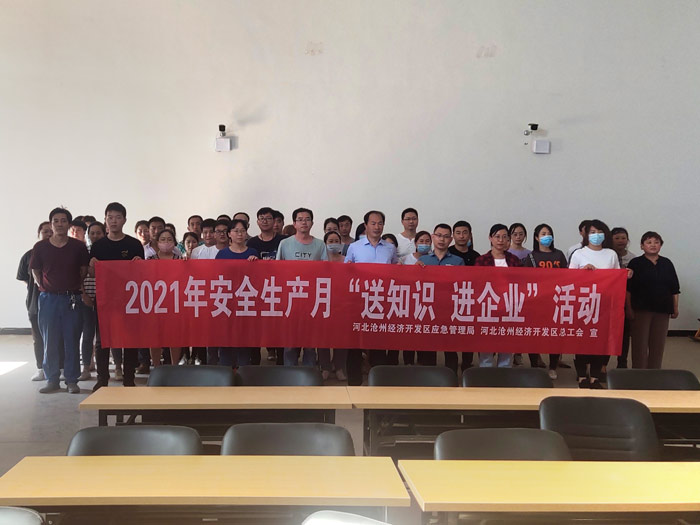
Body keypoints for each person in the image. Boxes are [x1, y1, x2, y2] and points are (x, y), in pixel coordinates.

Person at [30, 207, 90, 393]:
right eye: (55, 221)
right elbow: (35, 270)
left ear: (69, 224)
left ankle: (71, 380)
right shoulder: (41, 247)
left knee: (72, 340)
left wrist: (74, 285)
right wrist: (44, 286)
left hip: (71, 298)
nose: (59, 224)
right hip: (48, 299)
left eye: (63, 220)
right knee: (50, 341)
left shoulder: (78, 247)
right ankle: (52, 379)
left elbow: (83, 270)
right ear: (51, 224)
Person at [89, 202, 145, 390]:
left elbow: (141, 275)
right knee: (103, 341)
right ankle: (102, 380)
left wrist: (139, 264)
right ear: (105, 219)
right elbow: (92, 274)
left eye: (118, 217)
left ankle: (129, 379)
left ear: (124, 220)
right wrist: (92, 266)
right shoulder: (98, 246)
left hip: (129, 300)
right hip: (105, 300)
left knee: (130, 340)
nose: (113, 221)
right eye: (110, 217)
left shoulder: (134, 245)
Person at [345, 211, 398, 385]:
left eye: (380, 223)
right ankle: (354, 382)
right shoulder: (355, 247)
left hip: (381, 302)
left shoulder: (390, 248)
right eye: (373, 223)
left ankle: (378, 381)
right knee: (354, 343)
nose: (377, 227)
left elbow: (397, 271)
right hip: (358, 301)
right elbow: (345, 272)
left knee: (379, 342)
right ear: (366, 225)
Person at [569, 219, 619, 388]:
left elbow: (616, 278)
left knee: (599, 341)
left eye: (599, 232)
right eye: (592, 232)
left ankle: (595, 377)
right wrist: (582, 273)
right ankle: (582, 376)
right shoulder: (578, 254)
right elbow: (568, 279)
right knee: (581, 340)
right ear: (586, 235)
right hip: (582, 303)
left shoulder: (611, 254)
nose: (596, 235)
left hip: (603, 304)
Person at [277, 208, 328, 367]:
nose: (304, 222)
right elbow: (277, 270)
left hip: (312, 300)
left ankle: (309, 375)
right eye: (300, 219)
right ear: (294, 223)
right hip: (290, 299)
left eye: (307, 219)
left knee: (310, 344)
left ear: (312, 223)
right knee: (290, 343)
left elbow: (326, 271)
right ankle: (289, 375)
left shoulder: (320, 245)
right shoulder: (285, 244)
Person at [627, 232, 680, 369]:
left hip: (663, 309)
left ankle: (655, 372)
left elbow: (674, 288)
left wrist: (675, 307)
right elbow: (628, 289)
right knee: (639, 343)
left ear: (661, 245)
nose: (653, 245)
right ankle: (639, 372)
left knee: (658, 343)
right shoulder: (635, 263)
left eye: (656, 242)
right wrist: (629, 308)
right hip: (641, 309)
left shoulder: (667, 263)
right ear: (642, 246)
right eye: (649, 242)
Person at [522, 223, 568, 379]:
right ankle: (534, 366)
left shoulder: (559, 255)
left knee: (554, 335)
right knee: (534, 335)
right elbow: (525, 279)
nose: (546, 236)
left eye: (549, 233)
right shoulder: (531, 256)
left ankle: (553, 367)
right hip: (536, 301)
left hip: (556, 300)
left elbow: (567, 276)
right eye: (543, 234)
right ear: (536, 237)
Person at [474, 224, 522, 368]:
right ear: (490, 238)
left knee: (506, 344)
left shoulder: (514, 260)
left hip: (509, 307)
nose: (500, 240)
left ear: (508, 239)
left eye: (504, 237)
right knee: (487, 345)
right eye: (497, 237)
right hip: (488, 308)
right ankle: (486, 371)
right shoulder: (482, 260)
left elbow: (521, 282)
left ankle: (504, 372)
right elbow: (476, 283)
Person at [416, 224, 465, 367]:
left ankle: (451, 377)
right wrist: (415, 270)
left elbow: (463, 285)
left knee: (450, 349)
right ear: (433, 237)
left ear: (451, 239)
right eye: (438, 235)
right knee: (428, 348)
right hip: (428, 310)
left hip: (449, 310)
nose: (442, 239)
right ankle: (429, 377)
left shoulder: (458, 261)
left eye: (445, 236)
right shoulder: (423, 261)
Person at [17, 221, 53, 381]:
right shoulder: (28, 255)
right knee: (38, 338)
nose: (49, 234)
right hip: (34, 302)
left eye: (51, 231)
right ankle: (41, 368)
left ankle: (58, 368)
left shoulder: (60, 252)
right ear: (39, 234)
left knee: (57, 338)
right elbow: (24, 278)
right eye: (45, 231)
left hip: (55, 302)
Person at [146, 229, 183, 367]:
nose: (166, 242)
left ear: (174, 242)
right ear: (157, 242)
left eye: (169, 239)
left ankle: (174, 366)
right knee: (155, 337)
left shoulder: (180, 260)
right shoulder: (150, 260)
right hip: (155, 304)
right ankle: (156, 366)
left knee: (175, 337)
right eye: (163, 239)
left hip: (175, 303)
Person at [316, 231, 348, 380]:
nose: (334, 243)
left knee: (341, 337)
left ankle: (339, 367)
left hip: (343, 303)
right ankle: (325, 367)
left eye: (337, 241)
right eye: (330, 241)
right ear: (325, 243)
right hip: (323, 301)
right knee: (323, 337)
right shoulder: (321, 261)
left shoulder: (347, 260)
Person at [78, 222, 106, 381]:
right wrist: (84, 295)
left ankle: (117, 367)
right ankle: (86, 367)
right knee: (88, 334)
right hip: (87, 299)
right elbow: (78, 275)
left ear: (104, 233)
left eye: (98, 233)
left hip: (107, 300)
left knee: (106, 336)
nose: (95, 236)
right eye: (92, 233)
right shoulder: (84, 252)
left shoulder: (108, 251)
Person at [612, 227, 637, 368]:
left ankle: (622, 363)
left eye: (623, 238)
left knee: (624, 334)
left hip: (626, 300)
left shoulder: (633, 259)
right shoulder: (607, 255)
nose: (620, 241)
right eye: (617, 238)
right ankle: (602, 365)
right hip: (610, 300)